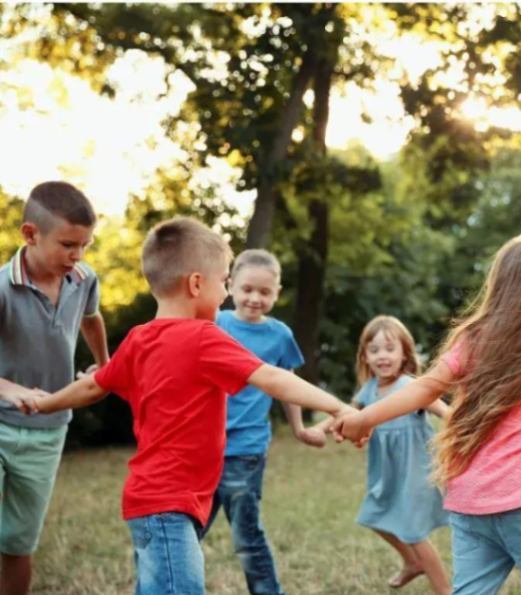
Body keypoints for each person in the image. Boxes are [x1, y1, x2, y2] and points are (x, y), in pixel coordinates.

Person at [11, 217, 354, 595]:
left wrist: (46, 404)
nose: (225, 293)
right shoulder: (205, 338)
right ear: (195, 284)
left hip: (151, 502)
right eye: (224, 281)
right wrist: (338, 407)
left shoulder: (139, 339)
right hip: (168, 506)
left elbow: (94, 385)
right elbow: (272, 377)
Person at [337, 233, 521, 595]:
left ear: (501, 288)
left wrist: (364, 418)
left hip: (468, 501)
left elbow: (425, 387)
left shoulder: (474, 340)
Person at [0, 181, 109, 595]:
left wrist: (104, 366)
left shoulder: (83, 279)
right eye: (67, 244)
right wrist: (9, 390)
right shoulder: (2, 289)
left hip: (48, 432)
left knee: (17, 542)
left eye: (84, 245)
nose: (77, 255)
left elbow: (91, 319)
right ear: (31, 234)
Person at [202, 249, 326, 595]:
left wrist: (300, 429)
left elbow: (288, 387)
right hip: (201, 447)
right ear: (230, 286)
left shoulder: (279, 335)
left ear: (277, 292)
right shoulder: (214, 323)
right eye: (247, 289)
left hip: (246, 449)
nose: (255, 298)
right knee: (186, 530)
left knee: (246, 536)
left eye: (264, 292)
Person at [352, 315, 450, 594]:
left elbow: (441, 409)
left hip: (415, 471)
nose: (382, 356)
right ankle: (411, 563)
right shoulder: (369, 389)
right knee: (372, 517)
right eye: (374, 350)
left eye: (389, 348)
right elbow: (347, 414)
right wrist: (320, 429)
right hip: (386, 473)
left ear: (404, 352)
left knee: (414, 533)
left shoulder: (410, 387)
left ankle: (445, 590)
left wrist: (453, 418)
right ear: (365, 357)